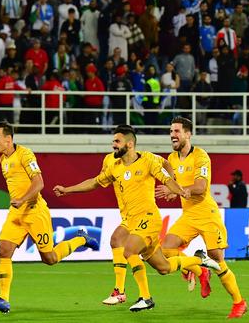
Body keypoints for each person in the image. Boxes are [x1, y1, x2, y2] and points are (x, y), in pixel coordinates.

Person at [52, 125, 220, 312]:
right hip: (131, 219)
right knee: (163, 267)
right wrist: (68, 190)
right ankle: (199, 262)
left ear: (130, 144)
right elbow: (94, 182)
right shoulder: (113, 165)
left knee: (128, 248)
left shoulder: (148, 160)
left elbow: (166, 177)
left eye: (117, 141)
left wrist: (180, 191)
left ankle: (140, 296)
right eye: (113, 141)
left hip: (148, 218)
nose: (113, 145)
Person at [0, 122, 99, 313]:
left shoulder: (25, 154)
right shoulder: (2, 160)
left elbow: (39, 183)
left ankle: (81, 239)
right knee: (4, 248)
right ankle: (3, 299)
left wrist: (21, 200)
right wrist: (18, 203)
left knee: (50, 258)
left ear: (8, 139)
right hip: (17, 213)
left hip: (35, 212)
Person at [155, 117, 247, 319]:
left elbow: (200, 188)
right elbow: (179, 187)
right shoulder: (171, 159)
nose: (172, 135)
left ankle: (239, 302)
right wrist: (172, 192)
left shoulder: (201, 156)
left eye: (177, 131)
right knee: (167, 248)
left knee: (218, 261)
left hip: (207, 214)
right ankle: (199, 269)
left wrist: (178, 190)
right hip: (188, 215)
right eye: (171, 131)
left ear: (188, 134)